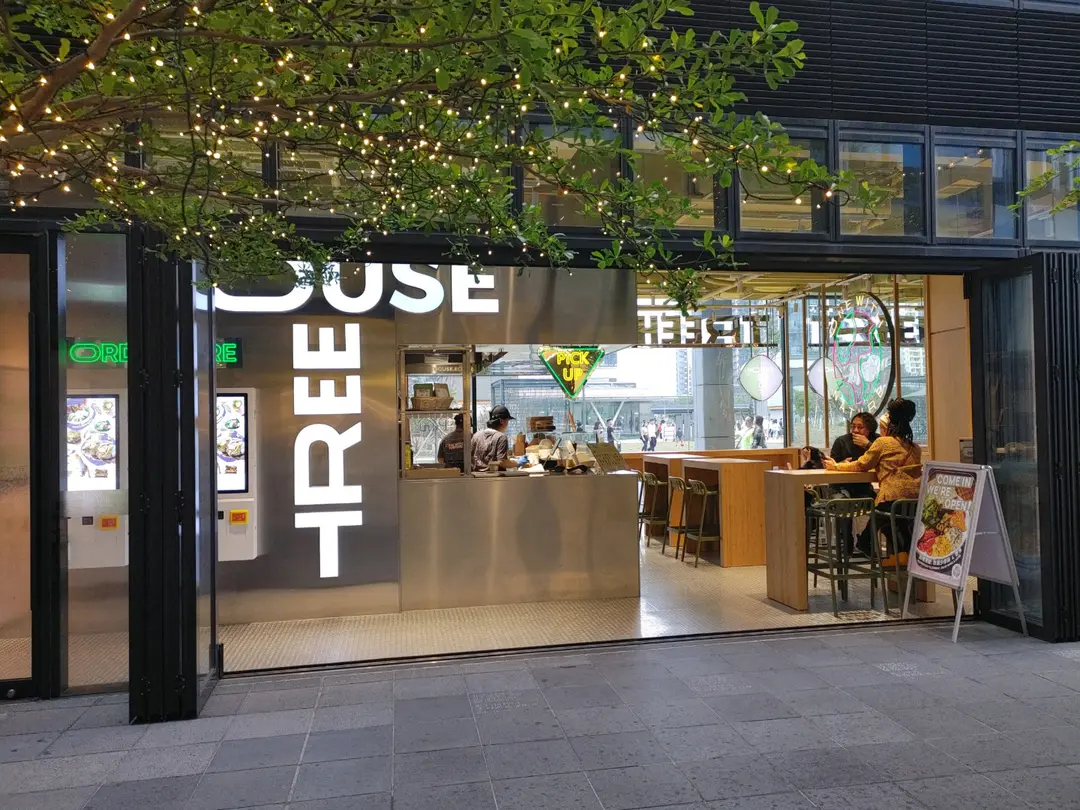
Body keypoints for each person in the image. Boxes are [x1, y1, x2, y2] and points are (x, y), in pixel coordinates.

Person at [825, 398, 922, 566]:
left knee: (882, 515)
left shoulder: (882, 443)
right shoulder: (915, 447)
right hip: (914, 500)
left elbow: (861, 465)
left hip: (891, 499)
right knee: (894, 522)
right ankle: (901, 554)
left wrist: (836, 466)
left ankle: (865, 543)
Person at [471, 405, 519, 471]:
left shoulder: (476, 435)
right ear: (501, 421)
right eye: (507, 420)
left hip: (476, 476)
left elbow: (470, 458)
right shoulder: (501, 437)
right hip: (494, 476)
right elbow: (502, 462)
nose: (507, 424)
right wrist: (518, 463)